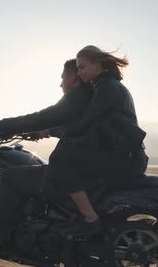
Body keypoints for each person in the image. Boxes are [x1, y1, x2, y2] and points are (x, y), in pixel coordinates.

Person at [0, 59, 93, 252]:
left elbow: (39, 117)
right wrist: (49, 130)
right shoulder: (89, 97)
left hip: (72, 169)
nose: (60, 83)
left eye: (63, 78)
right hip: (86, 165)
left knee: (10, 176)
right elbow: (73, 127)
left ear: (73, 78)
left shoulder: (75, 98)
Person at [43, 45, 149, 237]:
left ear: (98, 63)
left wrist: (50, 128)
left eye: (82, 67)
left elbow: (86, 123)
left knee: (60, 158)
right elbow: (92, 129)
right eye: (77, 68)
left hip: (124, 159)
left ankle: (90, 219)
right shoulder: (106, 85)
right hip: (126, 155)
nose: (79, 72)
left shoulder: (106, 87)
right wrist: (53, 131)